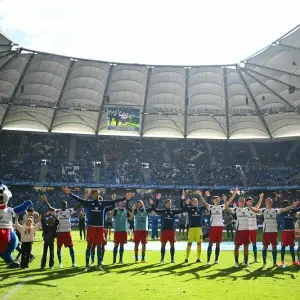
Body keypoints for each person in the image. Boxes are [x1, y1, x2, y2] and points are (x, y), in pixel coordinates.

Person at [62, 187, 134, 271]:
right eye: (95, 193)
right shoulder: (90, 203)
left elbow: (114, 201)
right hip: (92, 227)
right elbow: (80, 200)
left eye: (98, 193)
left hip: (100, 228)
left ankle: (99, 265)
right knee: (89, 246)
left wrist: (125, 198)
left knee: (100, 246)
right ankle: (87, 265)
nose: (97, 194)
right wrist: (70, 193)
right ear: (92, 195)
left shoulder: (103, 203)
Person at [249, 198, 299, 268]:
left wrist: (292, 206)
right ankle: (264, 263)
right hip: (266, 231)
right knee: (265, 247)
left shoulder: (275, 210)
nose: (270, 203)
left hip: (274, 231)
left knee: (274, 247)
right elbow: (256, 211)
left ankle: (275, 263)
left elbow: (284, 209)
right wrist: (250, 207)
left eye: (270, 202)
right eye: (268, 202)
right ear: (265, 203)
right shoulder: (263, 210)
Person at [41, 195, 77, 268]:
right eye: (63, 204)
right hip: (60, 232)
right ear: (61, 205)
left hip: (67, 232)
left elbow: (77, 207)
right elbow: (50, 208)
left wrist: (86, 198)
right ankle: (60, 263)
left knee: (71, 247)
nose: (64, 206)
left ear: (67, 205)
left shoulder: (69, 211)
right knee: (59, 248)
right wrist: (46, 201)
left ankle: (73, 263)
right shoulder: (58, 211)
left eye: (65, 204)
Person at [152, 193, 184, 263]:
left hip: (172, 231)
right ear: (165, 204)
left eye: (169, 203)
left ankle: (172, 259)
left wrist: (182, 199)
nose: (168, 204)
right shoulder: (163, 211)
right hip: (164, 231)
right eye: (167, 203)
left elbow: (182, 210)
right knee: (163, 245)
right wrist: (157, 199)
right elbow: (154, 209)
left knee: (172, 245)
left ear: (171, 204)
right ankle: (162, 259)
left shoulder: (174, 211)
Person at [198, 191, 227, 264]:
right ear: (213, 200)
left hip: (220, 228)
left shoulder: (221, 207)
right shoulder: (211, 207)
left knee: (218, 244)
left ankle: (216, 260)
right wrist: (201, 195)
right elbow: (205, 203)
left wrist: (232, 195)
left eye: (218, 200)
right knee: (210, 243)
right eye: (216, 200)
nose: (217, 201)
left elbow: (228, 203)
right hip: (213, 228)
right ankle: (208, 260)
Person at [224, 189, 251, 267]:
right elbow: (227, 208)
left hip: (246, 230)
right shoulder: (236, 209)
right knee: (237, 247)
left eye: (243, 201)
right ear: (238, 202)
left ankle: (246, 261)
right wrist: (225, 201)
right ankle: (236, 262)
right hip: (239, 231)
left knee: (246, 247)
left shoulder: (248, 209)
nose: (242, 202)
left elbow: (256, 210)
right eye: (241, 201)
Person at [181, 191, 206, 263]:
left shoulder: (200, 208)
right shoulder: (189, 209)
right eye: (194, 202)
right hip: (191, 228)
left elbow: (206, 205)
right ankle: (186, 258)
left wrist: (202, 196)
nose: (196, 203)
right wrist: (183, 200)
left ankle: (198, 258)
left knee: (199, 243)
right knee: (189, 243)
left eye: (196, 201)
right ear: (192, 203)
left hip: (198, 228)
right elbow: (182, 207)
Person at [278, 200, 300, 267]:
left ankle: (293, 261)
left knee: (291, 246)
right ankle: (282, 261)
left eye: (288, 204)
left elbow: (298, 208)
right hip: (285, 231)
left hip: (292, 231)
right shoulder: (281, 211)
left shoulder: (291, 211)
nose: (287, 205)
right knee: (283, 246)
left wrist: (296, 204)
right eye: (285, 204)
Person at [246, 194, 263, 263]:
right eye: (249, 201)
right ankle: (246, 259)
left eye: (251, 201)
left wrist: (261, 198)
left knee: (254, 244)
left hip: (254, 229)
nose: (250, 202)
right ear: (246, 202)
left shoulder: (254, 209)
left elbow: (258, 205)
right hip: (247, 230)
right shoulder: (244, 209)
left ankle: (255, 259)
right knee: (246, 245)